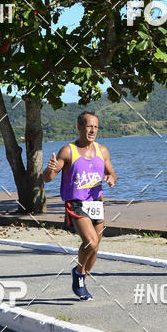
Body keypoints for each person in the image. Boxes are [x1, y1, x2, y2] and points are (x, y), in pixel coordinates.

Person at [43, 111, 117, 300]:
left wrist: (110, 178)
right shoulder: (68, 151)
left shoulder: (103, 150)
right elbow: (48, 178)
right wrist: (49, 169)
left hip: (97, 202)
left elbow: (112, 173)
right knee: (90, 241)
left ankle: (81, 275)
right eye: (89, 126)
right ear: (79, 127)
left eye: (95, 127)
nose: (92, 130)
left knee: (95, 247)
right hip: (76, 202)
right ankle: (78, 273)